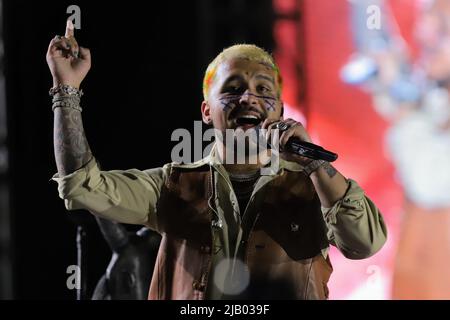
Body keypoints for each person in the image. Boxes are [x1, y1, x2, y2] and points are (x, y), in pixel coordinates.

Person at [47, 19, 387, 300]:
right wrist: (66, 89)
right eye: (232, 88)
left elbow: (363, 242)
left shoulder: (313, 188)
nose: (248, 98)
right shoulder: (172, 185)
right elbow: (82, 186)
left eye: (264, 90)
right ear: (207, 112)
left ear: (281, 111)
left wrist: (313, 163)